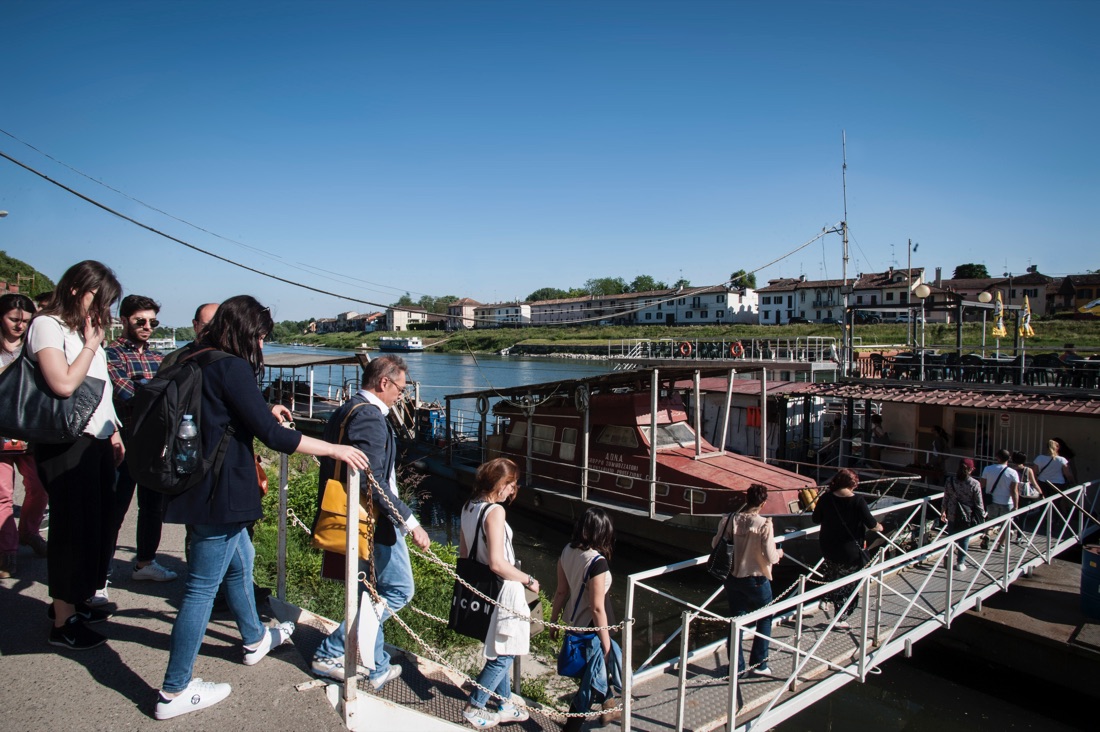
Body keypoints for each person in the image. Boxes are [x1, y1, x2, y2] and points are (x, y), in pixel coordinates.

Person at [155, 295, 370, 721]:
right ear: (246, 331)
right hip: (221, 492)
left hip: (198, 483)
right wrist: (334, 449)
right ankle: (173, 690)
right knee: (201, 589)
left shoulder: (194, 356)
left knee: (242, 564)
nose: (261, 345)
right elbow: (274, 437)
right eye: (260, 336)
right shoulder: (232, 366)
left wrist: (261, 409)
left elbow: (223, 411)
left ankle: (254, 639)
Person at [311, 355, 431, 689]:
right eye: (400, 389)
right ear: (383, 382)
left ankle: (376, 664)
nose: (401, 396)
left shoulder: (346, 409)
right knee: (399, 590)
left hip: (354, 515)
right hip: (374, 520)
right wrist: (410, 522)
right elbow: (372, 480)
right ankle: (332, 650)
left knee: (371, 591)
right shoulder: (369, 417)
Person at [27, 260, 123, 650]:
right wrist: (91, 345)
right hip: (65, 443)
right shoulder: (46, 325)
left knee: (95, 527)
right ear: (74, 289)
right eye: (98, 299)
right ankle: (62, 620)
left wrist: (114, 430)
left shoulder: (82, 330)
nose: (102, 308)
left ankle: (76, 600)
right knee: (70, 529)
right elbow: (64, 384)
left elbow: (100, 388)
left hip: (95, 439)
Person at [460, 458, 537, 729]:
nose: (513, 491)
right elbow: (497, 563)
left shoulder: (468, 507)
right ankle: (475, 706)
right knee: (505, 655)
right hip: (504, 590)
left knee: (500, 648)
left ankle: (504, 704)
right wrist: (529, 580)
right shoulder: (495, 511)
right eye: (511, 485)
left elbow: (464, 554)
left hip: (483, 589)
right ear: (500, 484)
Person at [105, 294, 177, 585]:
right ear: (124, 320)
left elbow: (172, 396)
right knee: (114, 509)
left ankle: (145, 562)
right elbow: (124, 393)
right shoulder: (111, 354)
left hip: (153, 443)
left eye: (153, 322)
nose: (148, 327)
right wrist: (158, 390)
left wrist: (150, 389)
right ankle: (100, 573)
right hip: (121, 442)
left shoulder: (159, 358)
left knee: (152, 508)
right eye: (141, 321)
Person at [550, 507, 622, 732]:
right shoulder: (597, 563)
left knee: (593, 674)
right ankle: (571, 727)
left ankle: (609, 706)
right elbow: (597, 607)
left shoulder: (566, 551)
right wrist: (607, 645)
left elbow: (561, 591)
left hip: (574, 624)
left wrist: (554, 621)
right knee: (590, 683)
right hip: (592, 630)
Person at [0, 294, 49, 575]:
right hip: (1, 429)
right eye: (14, 319)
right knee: (3, 494)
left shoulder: (33, 349)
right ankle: (6, 551)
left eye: (26, 321)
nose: (20, 326)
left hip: (30, 430)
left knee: (39, 488)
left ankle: (29, 532)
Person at [713, 484, 783, 678]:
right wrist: (780, 553)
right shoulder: (764, 524)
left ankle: (737, 668)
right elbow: (771, 556)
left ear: (746, 499)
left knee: (736, 621)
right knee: (765, 617)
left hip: (732, 577)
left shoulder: (729, 520)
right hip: (756, 579)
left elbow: (715, 544)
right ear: (763, 503)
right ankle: (759, 664)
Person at [811, 469, 881, 629]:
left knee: (833, 573)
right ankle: (840, 618)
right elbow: (871, 523)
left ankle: (826, 598)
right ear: (852, 484)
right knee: (849, 585)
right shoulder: (858, 501)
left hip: (828, 546)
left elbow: (815, 519)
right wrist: (879, 527)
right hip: (850, 550)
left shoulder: (826, 498)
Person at [939, 458, 984, 571]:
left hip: (952, 512)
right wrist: (982, 517)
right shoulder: (974, 484)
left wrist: (943, 510)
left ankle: (948, 554)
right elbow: (979, 503)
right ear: (971, 469)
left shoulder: (950, 480)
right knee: (964, 539)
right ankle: (960, 563)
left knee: (951, 536)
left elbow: (946, 497)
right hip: (967, 515)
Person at [978, 449, 1020, 553]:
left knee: (990, 520)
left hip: (991, 500)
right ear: (1008, 458)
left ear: (997, 457)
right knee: (1006, 525)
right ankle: (1001, 545)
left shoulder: (988, 469)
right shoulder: (1013, 472)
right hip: (1007, 502)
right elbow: (1014, 491)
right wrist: (1016, 505)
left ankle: (986, 535)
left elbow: (981, 485)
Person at [160, 302, 218, 370]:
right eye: (206, 326)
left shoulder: (229, 356)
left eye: (219, 326)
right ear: (195, 325)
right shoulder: (174, 359)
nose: (212, 331)